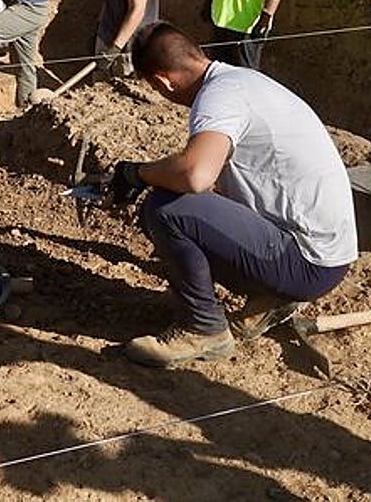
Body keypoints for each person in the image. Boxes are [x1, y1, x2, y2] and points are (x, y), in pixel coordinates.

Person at [107, 22, 357, 368]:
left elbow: (195, 175)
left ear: (163, 81)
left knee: (165, 208)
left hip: (307, 262)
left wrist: (137, 173)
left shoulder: (219, 99)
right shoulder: (241, 81)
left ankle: (203, 330)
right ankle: (271, 296)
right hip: (329, 254)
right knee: (189, 204)